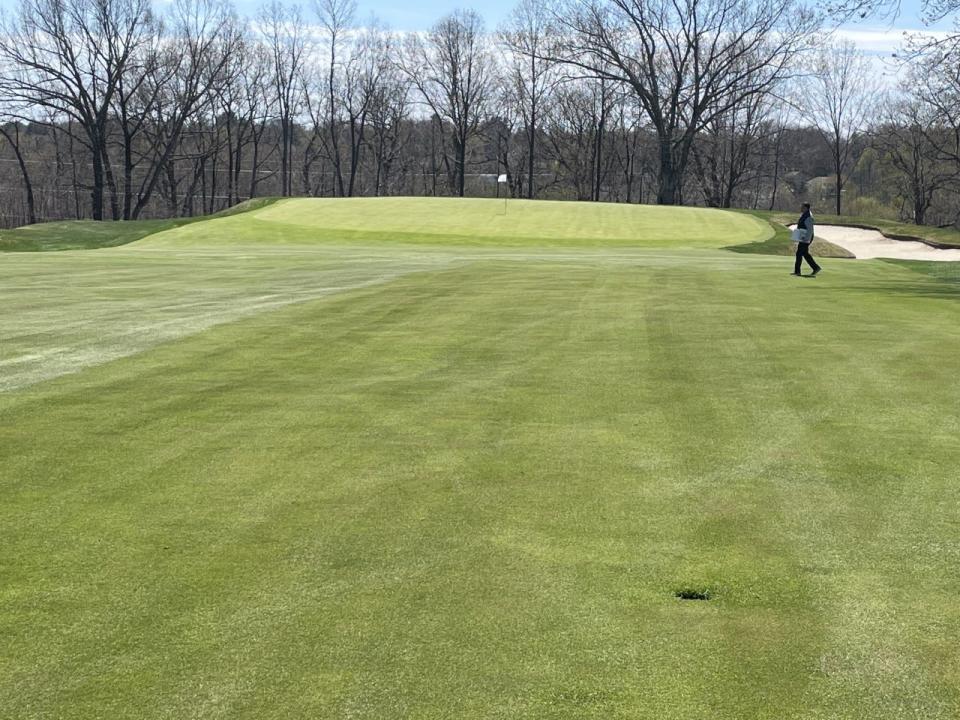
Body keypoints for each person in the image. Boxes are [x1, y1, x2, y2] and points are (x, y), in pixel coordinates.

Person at [793, 202, 821, 277]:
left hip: (806, 238)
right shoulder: (805, 214)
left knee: (799, 253)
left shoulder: (808, 216)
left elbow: (810, 230)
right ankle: (816, 267)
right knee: (805, 253)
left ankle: (797, 271)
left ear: (806, 208)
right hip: (804, 237)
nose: (801, 208)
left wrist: (806, 239)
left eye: (802, 207)